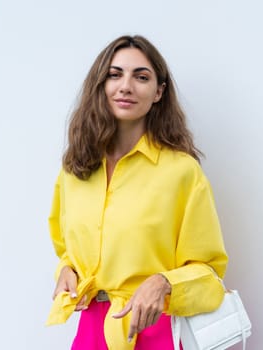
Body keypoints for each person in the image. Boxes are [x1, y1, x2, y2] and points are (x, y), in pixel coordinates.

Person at [46, 35, 228, 350]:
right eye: (114, 74)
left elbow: (209, 271)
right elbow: (66, 248)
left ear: (158, 92)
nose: (126, 86)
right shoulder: (75, 169)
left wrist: (163, 282)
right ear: (100, 85)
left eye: (141, 77)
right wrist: (66, 269)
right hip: (91, 328)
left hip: (158, 331)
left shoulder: (181, 172)